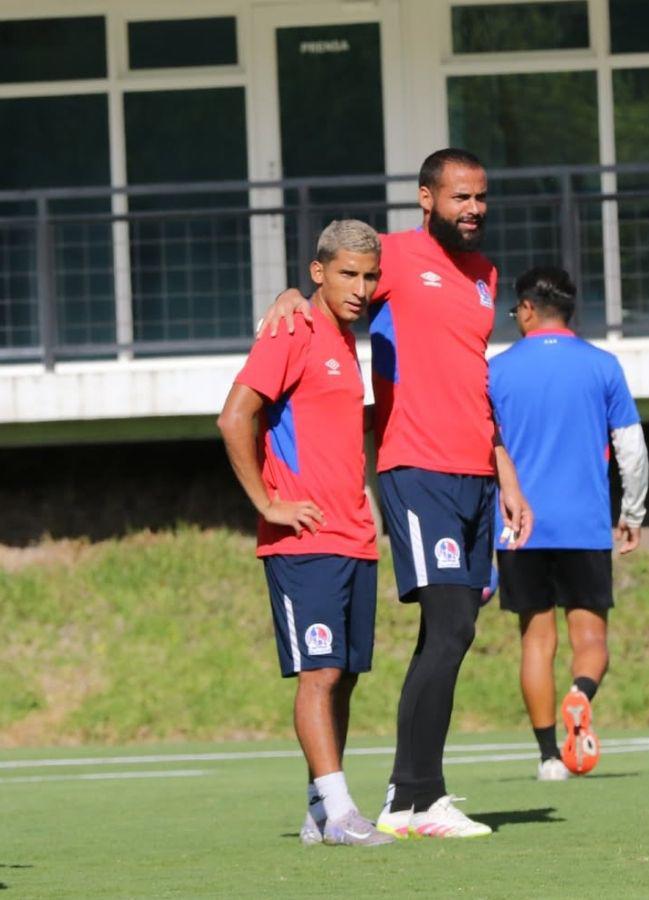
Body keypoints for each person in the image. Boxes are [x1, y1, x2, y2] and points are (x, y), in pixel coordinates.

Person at [262, 148, 534, 840]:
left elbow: (470, 374)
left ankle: (395, 795)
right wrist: (290, 293)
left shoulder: (484, 275)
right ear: (426, 198)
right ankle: (414, 798)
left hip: (476, 473)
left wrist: (505, 473)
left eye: (481, 198)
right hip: (417, 470)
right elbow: (332, 282)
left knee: (455, 632)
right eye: (459, 198)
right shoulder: (391, 255)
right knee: (448, 626)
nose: (472, 210)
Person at [217, 219, 393, 847]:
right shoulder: (291, 327)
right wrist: (268, 501)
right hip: (304, 540)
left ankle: (322, 811)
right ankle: (344, 813)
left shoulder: (347, 342)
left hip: (353, 537)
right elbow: (234, 415)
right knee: (318, 674)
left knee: (342, 675)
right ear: (318, 272)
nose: (362, 286)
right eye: (348, 273)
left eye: (370, 275)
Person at [488, 266, 649, 781]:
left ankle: (547, 758)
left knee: (536, 641)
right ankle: (580, 695)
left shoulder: (497, 370)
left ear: (529, 309)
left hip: (520, 525)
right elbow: (632, 449)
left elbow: (485, 449)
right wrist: (632, 513)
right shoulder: (602, 366)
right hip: (583, 523)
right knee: (591, 640)